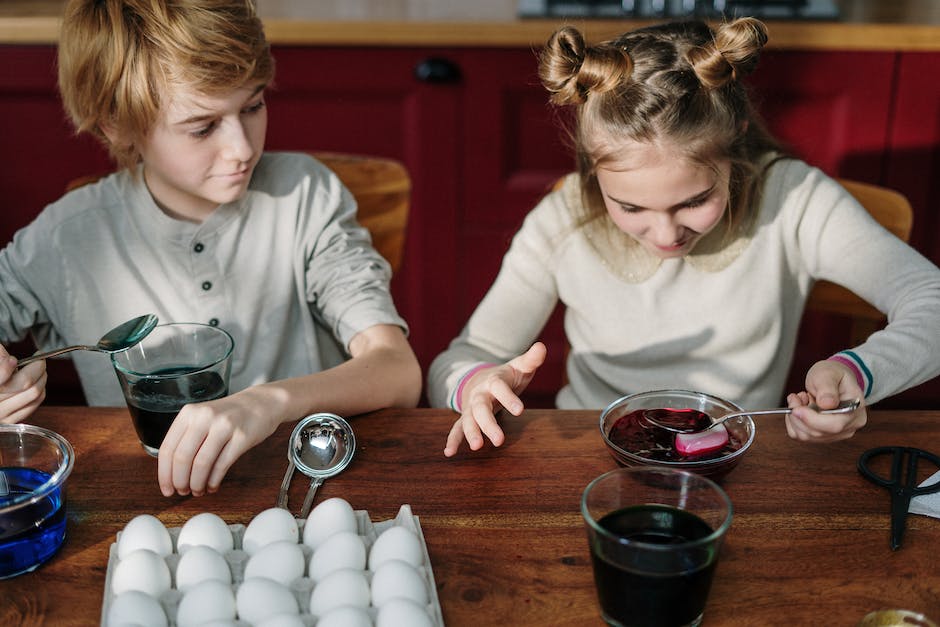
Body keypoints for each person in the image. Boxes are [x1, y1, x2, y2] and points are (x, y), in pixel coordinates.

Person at [428, 18, 940, 457]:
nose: (666, 234)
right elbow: (454, 363)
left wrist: (859, 372)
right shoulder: (560, 220)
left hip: (740, 463)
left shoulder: (793, 198)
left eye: (694, 202)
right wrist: (475, 383)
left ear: (736, 134)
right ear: (591, 166)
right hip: (589, 456)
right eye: (629, 207)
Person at [0, 0, 421, 495]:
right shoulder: (66, 238)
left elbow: (398, 370)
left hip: (306, 487)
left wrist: (267, 402)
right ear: (118, 124)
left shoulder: (305, 195)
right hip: (149, 501)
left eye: (253, 106)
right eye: (202, 127)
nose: (242, 148)